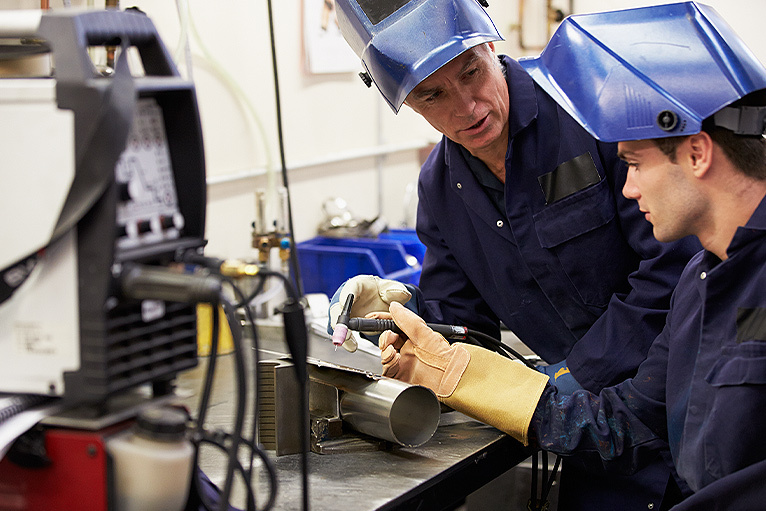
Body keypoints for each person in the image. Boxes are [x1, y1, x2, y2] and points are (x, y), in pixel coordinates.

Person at [377, 2, 766, 509]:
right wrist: (413, 320)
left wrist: (566, 377)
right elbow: (620, 425)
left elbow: (663, 273)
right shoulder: (702, 286)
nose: (467, 108)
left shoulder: (586, 115)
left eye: (471, 74)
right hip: (613, 444)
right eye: (432, 95)